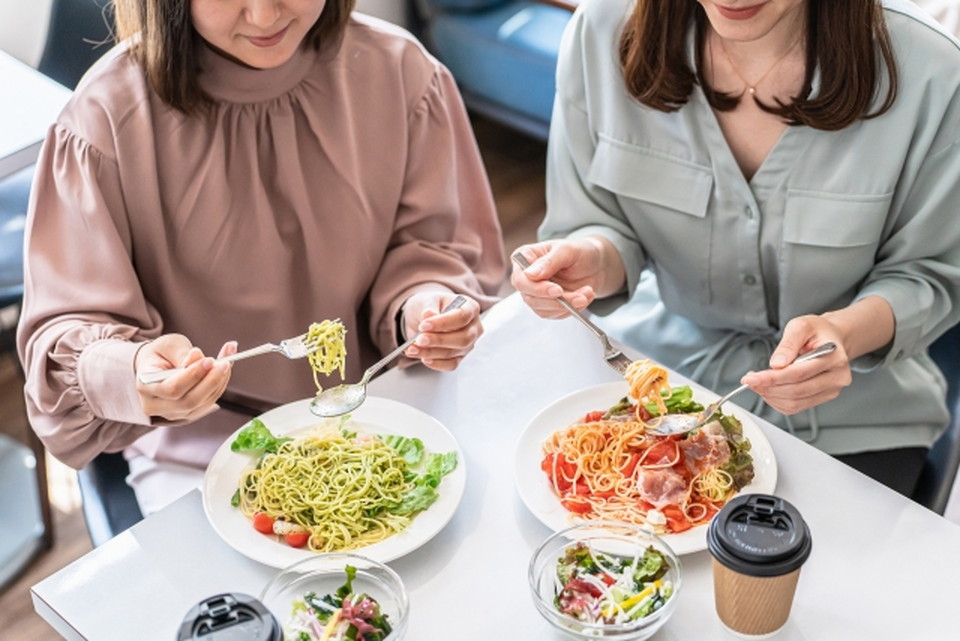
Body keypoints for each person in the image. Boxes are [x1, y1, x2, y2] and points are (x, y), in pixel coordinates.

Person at [17, 0, 506, 514]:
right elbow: (68, 331)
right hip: (205, 453)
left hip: (385, 411)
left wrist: (423, 307)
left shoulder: (400, 71)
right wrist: (134, 369)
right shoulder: (105, 116)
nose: (265, 14)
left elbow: (431, 245)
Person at [511, 0, 960, 496]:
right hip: (662, 383)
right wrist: (592, 259)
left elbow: (931, 274)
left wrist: (843, 334)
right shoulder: (600, 33)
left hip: (853, 421)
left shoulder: (933, 73)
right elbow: (601, 220)